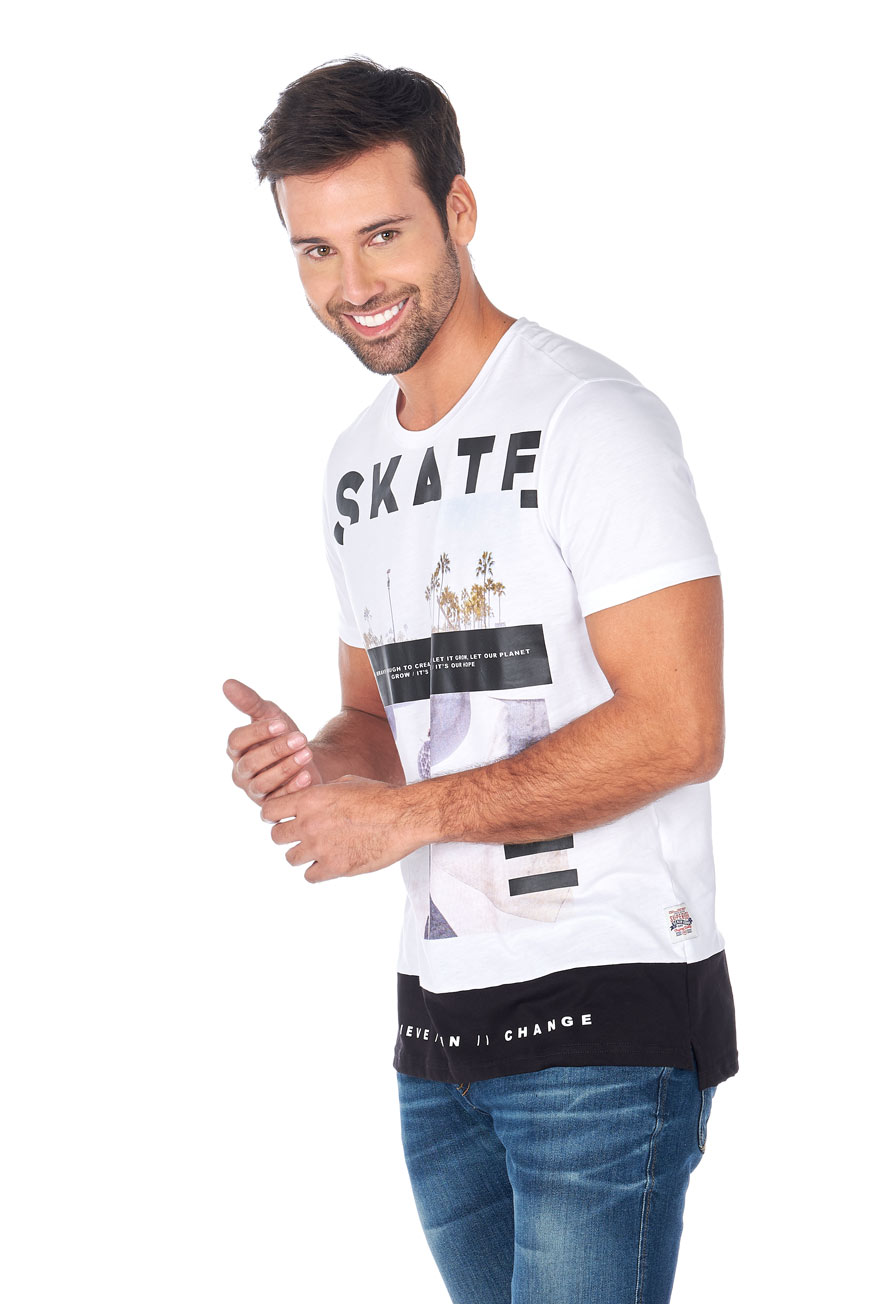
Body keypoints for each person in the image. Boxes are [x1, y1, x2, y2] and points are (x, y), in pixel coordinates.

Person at [224, 57, 738, 1304]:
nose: (353, 286)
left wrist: (401, 816)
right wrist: (315, 767)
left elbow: (679, 728)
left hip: (604, 1010)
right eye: (315, 250)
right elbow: (376, 716)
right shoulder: (355, 465)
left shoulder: (588, 419)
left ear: (458, 209)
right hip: (437, 1019)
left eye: (382, 235)